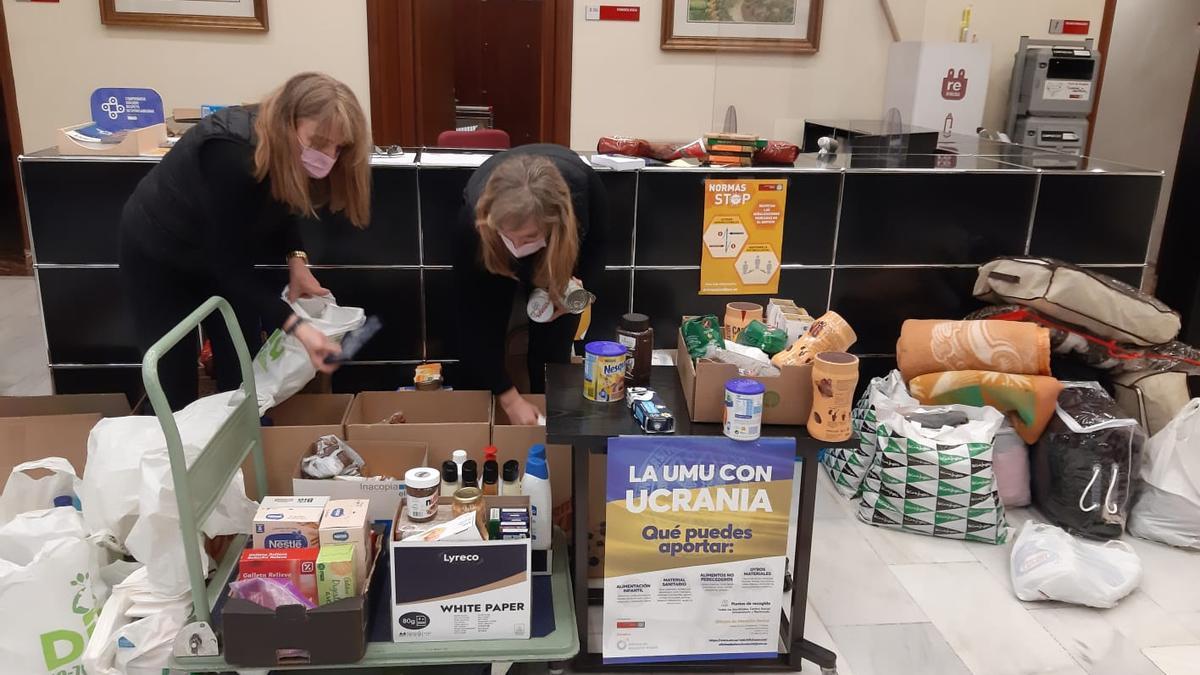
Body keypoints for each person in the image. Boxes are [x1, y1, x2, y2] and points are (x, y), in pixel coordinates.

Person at [119, 72, 372, 410]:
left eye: (338, 147)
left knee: (242, 372)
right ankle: (165, 455)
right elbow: (227, 268)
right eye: (319, 142)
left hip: (222, 254)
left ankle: (238, 453)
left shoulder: (286, 149)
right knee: (172, 380)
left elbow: (284, 203)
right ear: (288, 123)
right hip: (159, 252)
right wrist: (298, 327)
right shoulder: (230, 155)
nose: (329, 155)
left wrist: (297, 260)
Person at [454, 144, 607, 425]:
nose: (517, 247)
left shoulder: (585, 197)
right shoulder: (474, 223)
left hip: (559, 244)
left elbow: (598, 259)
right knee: (489, 330)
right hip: (489, 244)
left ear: (555, 224)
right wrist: (509, 399)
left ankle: (551, 421)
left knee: (553, 346)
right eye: (509, 237)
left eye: (528, 237)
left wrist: (576, 293)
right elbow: (473, 323)